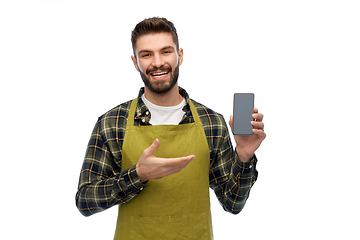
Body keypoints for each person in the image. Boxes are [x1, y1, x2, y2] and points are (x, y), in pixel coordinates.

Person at [75, 17, 266, 240]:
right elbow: (85, 201)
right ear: (135, 62)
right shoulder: (112, 123)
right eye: (146, 54)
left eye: (166, 52)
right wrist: (137, 175)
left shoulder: (211, 122)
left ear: (180, 55)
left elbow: (233, 203)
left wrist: (243, 157)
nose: (157, 62)